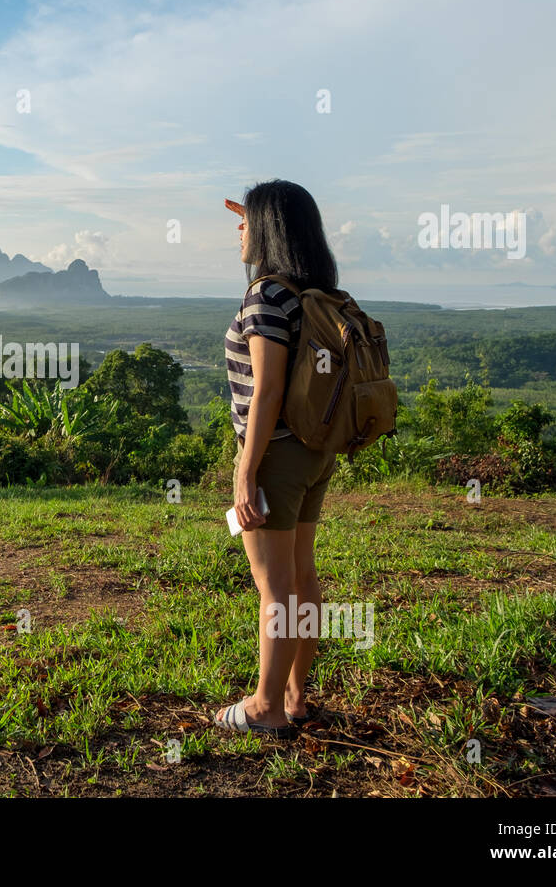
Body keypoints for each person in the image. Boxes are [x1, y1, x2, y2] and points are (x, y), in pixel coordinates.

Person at [213, 179, 341, 737]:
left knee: (275, 585)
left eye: (248, 220)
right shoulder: (309, 293)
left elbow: (265, 391)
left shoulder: (266, 294)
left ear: (268, 229)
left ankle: (265, 706)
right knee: (302, 577)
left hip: (277, 456)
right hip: (314, 453)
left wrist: (245, 469)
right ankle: (294, 696)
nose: (239, 230)